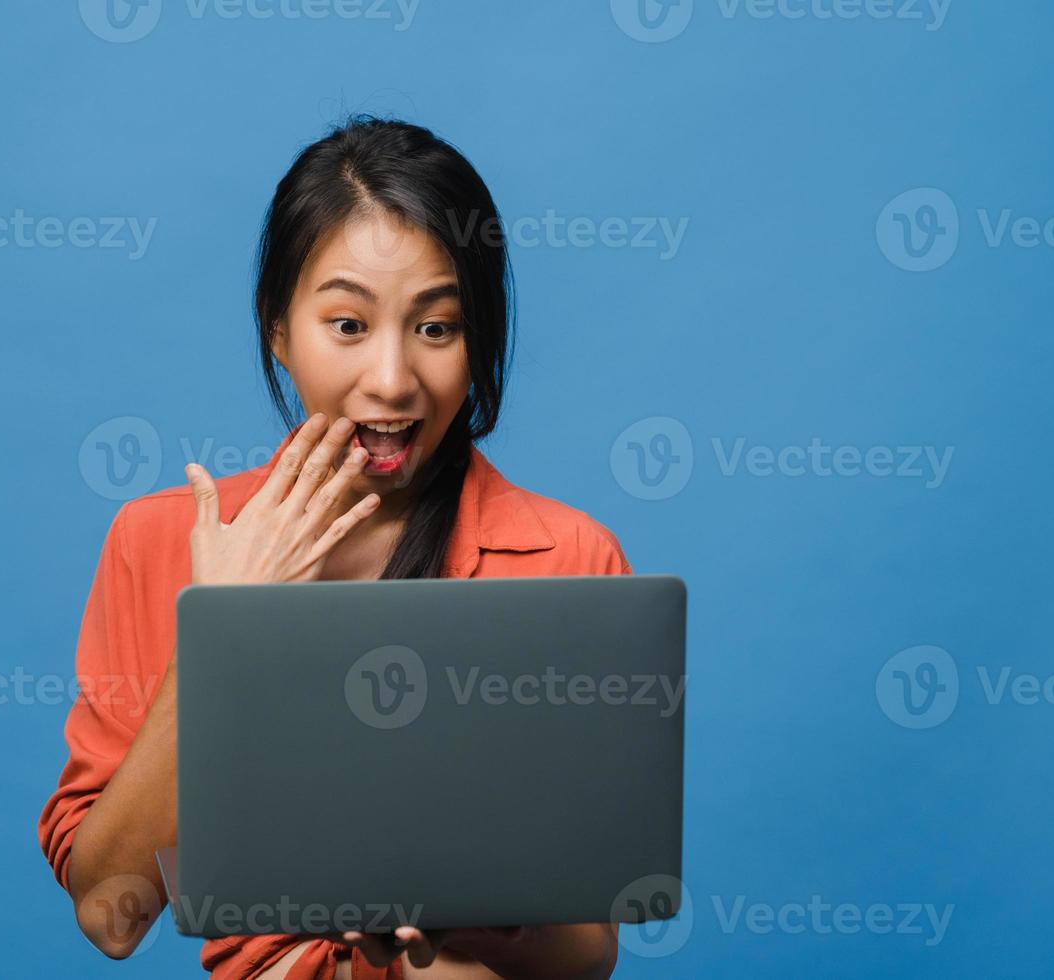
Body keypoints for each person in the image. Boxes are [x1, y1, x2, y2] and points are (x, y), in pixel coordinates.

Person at [39, 116, 632, 979]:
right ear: (279, 330)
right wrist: (224, 636)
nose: (392, 379)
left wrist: (474, 908)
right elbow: (110, 914)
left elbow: (589, 954)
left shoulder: (570, 558)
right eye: (348, 325)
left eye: (436, 328)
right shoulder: (160, 540)